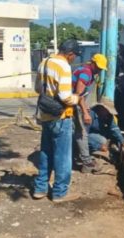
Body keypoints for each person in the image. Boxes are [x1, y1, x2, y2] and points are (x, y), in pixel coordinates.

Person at [33, 39, 82, 203]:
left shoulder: (44, 62)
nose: (74, 59)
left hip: (46, 114)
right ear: (70, 54)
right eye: (74, 56)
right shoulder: (64, 67)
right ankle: (60, 192)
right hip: (61, 117)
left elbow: (38, 89)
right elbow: (65, 97)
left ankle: (40, 189)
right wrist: (77, 98)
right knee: (63, 156)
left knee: (46, 152)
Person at [72, 53, 108, 173]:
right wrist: (84, 111)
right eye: (98, 67)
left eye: (101, 69)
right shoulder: (86, 73)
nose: (99, 70)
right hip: (73, 104)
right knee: (81, 133)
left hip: (74, 103)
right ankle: (87, 162)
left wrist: (85, 106)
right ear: (92, 63)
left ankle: (77, 156)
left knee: (78, 133)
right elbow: (78, 94)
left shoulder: (86, 71)